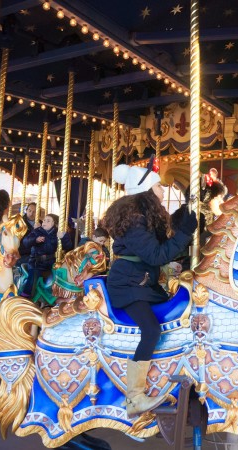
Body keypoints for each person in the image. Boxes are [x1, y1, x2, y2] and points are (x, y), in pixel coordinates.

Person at [101, 161, 197, 416]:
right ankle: (134, 397)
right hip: (129, 284)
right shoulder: (133, 221)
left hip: (143, 281)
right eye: (158, 186)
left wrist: (182, 218)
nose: (163, 190)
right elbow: (156, 255)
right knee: (151, 329)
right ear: (146, 190)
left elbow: (161, 241)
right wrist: (184, 233)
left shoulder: (143, 217)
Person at [21, 213, 74, 298]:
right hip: (36, 263)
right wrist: (35, 240)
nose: (44, 222)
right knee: (33, 277)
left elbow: (68, 246)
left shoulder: (57, 234)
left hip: (51, 263)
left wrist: (64, 237)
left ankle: (55, 296)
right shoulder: (37, 231)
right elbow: (25, 242)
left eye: (48, 221)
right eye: (44, 220)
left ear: (55, 224)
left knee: (62, 274)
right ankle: (25, 295)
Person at [17, 202, 39, 267]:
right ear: (26, 210)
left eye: (34, 212)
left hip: (36, 252)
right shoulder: (20, 222)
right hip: (23, 252)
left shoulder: (40, 223)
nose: (31, 213)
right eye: (29, 210)